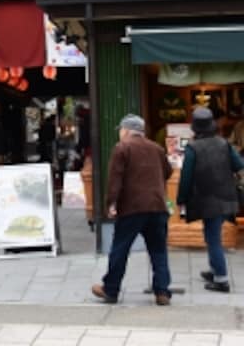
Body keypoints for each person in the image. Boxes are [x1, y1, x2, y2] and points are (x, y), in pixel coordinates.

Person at [92, 114, 173, 306]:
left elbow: (115, 179)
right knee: (158, 250)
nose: (120, 133)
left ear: (127, 131)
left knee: (120, 248)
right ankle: (162, 292)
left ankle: (110, 290)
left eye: (121, 130)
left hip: (132, 207)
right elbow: (168, 172)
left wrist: (111, 203)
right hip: (157, 206)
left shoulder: (122, 148)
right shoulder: (157, 148)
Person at [178, 107, 244, 293]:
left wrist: (181, 198)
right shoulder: (224, 143)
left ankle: (221, 279)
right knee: (211, 235)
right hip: (226, 196)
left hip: (207, 198)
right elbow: (239, 164)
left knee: (213, 238)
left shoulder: (193, 148)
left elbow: (186, 176)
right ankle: (214, 269)